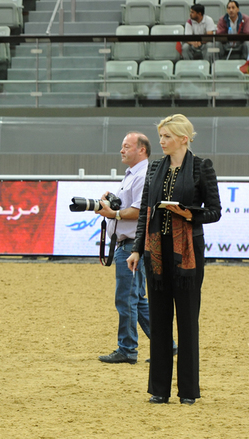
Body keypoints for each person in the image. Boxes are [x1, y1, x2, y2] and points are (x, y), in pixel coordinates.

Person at [128, 114, 221, 405]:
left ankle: (188, 391)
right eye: (160, 136)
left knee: (187, 321)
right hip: (156, 253)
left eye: (167, 136)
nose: (161, 141)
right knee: (159, 319)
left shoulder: (201, 167)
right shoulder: (155, 167)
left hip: (188, 254)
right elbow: (145, 211)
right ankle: (159, 389)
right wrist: (136, 248)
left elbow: (215, 211)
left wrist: (189, 214)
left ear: (183, 138)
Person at [95, 132, 154, 365]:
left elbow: (140, 210)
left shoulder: (142, 175)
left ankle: (127, 349)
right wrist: (112, 200)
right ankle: (166, 345)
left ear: (142, 150)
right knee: (136, 300)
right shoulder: (133, 175)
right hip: (128, 243)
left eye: (127, 146)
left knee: (126, 299)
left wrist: (113, 213)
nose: (122, 150)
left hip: (132, 245)